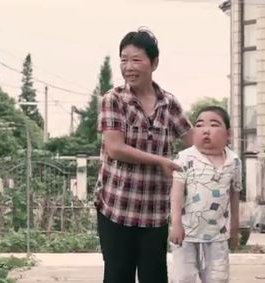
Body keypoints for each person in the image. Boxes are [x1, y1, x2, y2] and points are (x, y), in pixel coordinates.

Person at [95, 28, 193, 283]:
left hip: (155, 210)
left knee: (155, 277)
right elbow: (115, 148)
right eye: (124, 59)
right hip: (117, 207)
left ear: (154, 63)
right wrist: (160, 160)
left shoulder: (169, 104)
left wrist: (220, 153)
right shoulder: (113, 100)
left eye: (136, 59)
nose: (128, 66)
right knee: (118, 276)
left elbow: (192, 140)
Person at [169, 106, 242, 283]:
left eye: (214, 124)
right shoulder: (185, 158)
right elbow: (176, 194)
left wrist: (234, 228)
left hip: (217, 235)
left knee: (218, 278)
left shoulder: (234, 161)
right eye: (200, 125)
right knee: (184, 278)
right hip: (186, 234)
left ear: (228, 134)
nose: (206, 130)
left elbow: (234, 195)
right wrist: (176, 224)